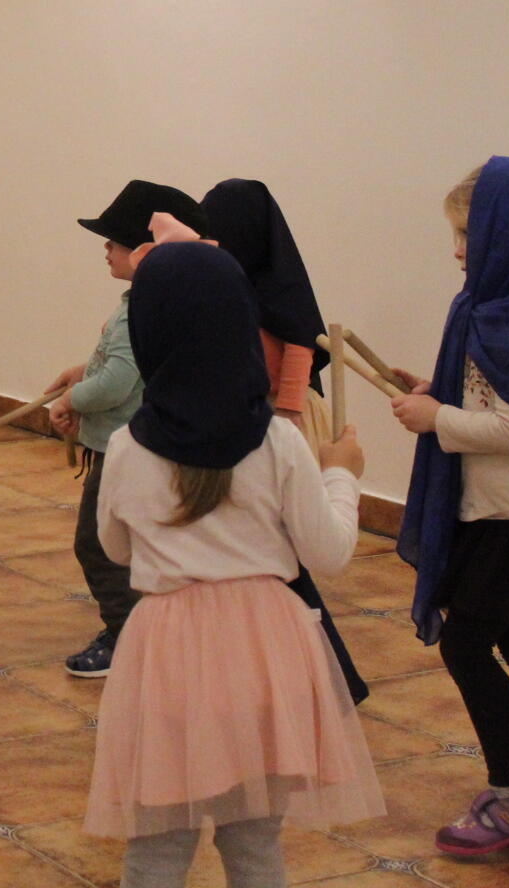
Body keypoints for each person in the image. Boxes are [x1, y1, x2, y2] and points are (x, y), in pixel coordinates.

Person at [86, 242, 384, 886]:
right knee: (255, 845)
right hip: (266, 650)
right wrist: (342, 475)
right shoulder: (279, 440)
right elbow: (329, 553)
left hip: (167, 652)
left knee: (156, 848)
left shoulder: (128, 447)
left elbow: (115, 549)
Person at [391, 157, 509, 855]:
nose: (459, 251)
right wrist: (439, 393)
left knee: (466, 646)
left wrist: (437, 417)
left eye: (471, 233)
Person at [198, 178, 367, 703]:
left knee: (283, 549)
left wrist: (287, 415)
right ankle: (320, 679)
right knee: (270, 550)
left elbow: (299, 347)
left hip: (285, 419)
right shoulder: (220, 283)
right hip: (250, 419)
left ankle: (329, 679)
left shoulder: (279, 287)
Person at [45, 180, 207, 679]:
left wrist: (72, 399)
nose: (105, 250)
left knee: (98, 545)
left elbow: (118, 383)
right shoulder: (149, 301)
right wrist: (82, 373)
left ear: (145, 253)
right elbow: (126, 367)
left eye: (113, 242)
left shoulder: (141, 307)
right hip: (135, 445)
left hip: (125, 450)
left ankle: (126, 635)